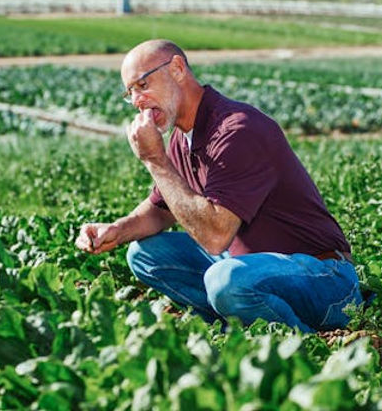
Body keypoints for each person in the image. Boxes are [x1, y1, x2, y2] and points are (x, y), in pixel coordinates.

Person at [75, 39, 362, 332]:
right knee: (145, 254)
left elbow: (215, 237)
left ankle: (303, 345)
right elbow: (160, 211)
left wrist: (154, 160)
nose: (137, 101)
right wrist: (115, 229)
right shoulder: (181, 138)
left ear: (177, 69)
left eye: (143, 84)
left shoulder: (237, 130)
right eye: (130, 93)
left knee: (225, 280)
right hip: (251, 271)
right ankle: (233, 327)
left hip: (324, 279)